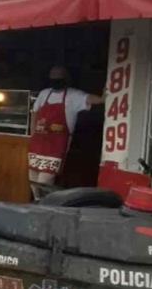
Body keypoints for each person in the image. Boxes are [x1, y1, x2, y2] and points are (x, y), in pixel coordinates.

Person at [28, 65, 104, 198]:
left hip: (55, 147)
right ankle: (38, 202)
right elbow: (35, 112)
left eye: (59, 77)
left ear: (65, 79)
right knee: (33, 178)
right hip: (38, 144)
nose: (55, 79)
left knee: (44, 181)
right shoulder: (44, 93)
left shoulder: (74, 95)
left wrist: (105, 96)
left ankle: (43, 205)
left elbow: (93, 99)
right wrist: (33, 132)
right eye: (53, 77)